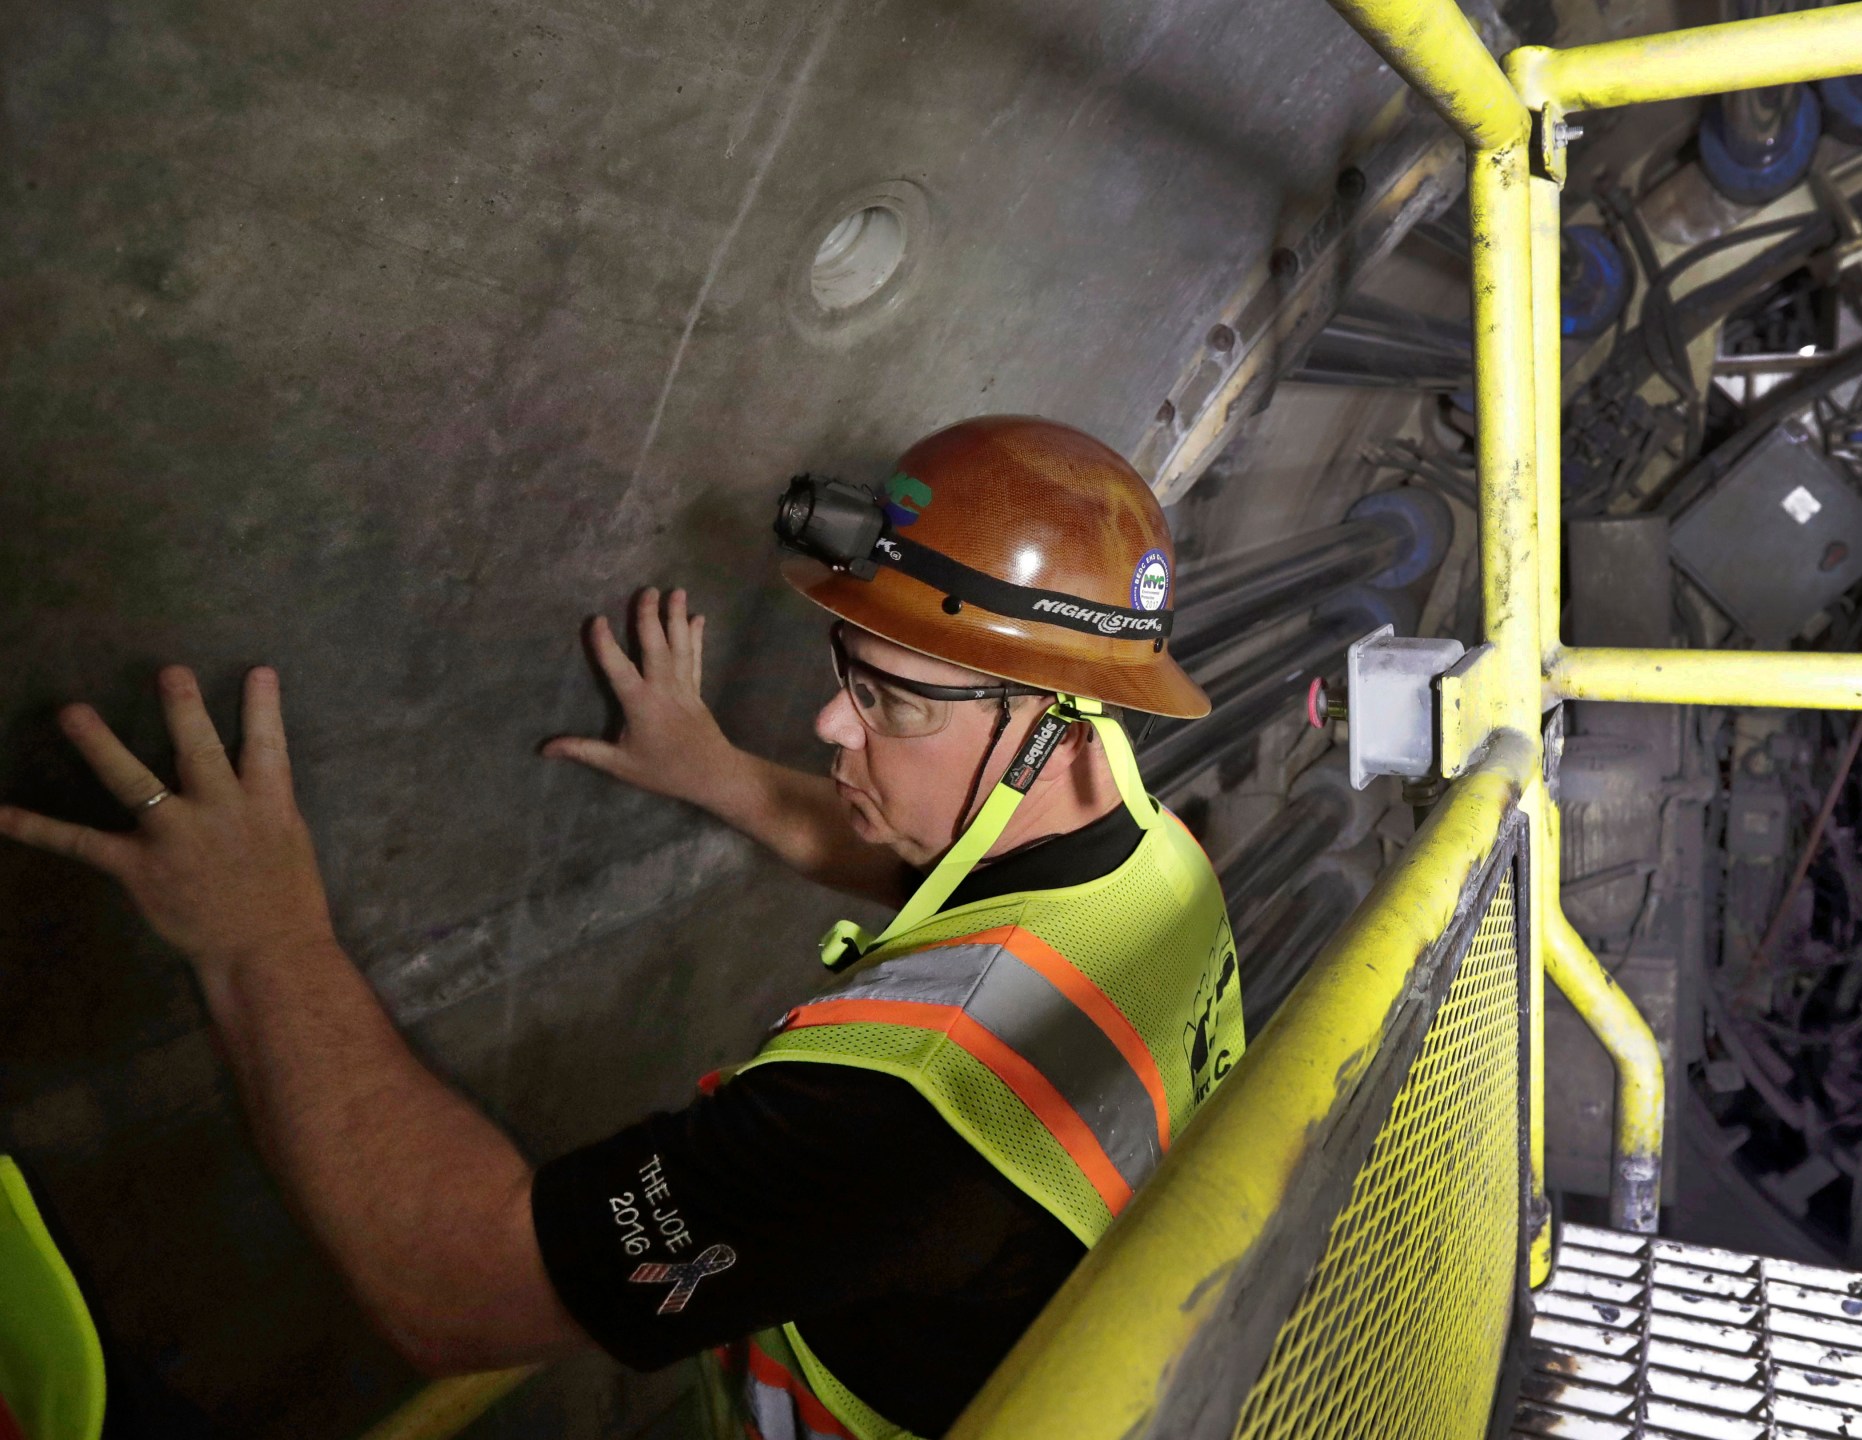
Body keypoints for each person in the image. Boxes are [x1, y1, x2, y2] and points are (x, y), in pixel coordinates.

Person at [0, 416, 1245, 1440]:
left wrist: (256, 936)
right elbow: (951, 877)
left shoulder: (908, 1108)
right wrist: (717, 774)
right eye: (844, 673)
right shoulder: (1145, 860)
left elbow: (453, 1288)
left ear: (1053, 727)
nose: (828, 728)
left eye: (886, 704)